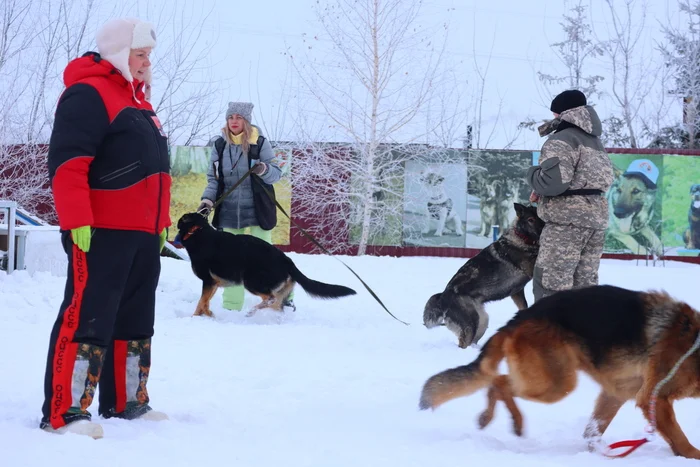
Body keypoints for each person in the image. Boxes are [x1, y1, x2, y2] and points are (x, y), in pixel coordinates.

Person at [40, 17, 171, 438]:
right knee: (88, 317)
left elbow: (156, 171)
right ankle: (66, 411)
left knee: (136, 317)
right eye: (140, 53)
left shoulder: (140, 103)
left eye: (149, 54)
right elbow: (68, 161)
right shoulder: (88, 93)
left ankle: (126, 401)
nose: (146, 61)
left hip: (144, 233)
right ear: (118, 52)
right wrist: (76, 218)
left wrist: (161, 223)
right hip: (100, 230)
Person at [526, 89, 614, 302]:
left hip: (566, 223)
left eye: (555, 113)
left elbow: (554, 183)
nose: (553, 117)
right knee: (585, 287)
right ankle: (584, 334)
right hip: (595, 222)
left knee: (551, 284)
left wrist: (532, 175)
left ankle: (550, 335)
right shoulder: (595, 142)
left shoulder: (562, 139)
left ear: (562, 113)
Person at [198, 102, 286, 311]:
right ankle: (231, 307)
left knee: (265, 259)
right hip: (228, 211)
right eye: (231, 117)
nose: (234, 121)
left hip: (258, 210)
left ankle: (281, 299)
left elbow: (275, 175)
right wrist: (206, 202)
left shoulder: (259, 143)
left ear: (246, 121)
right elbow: (213, 180)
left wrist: (264, 168)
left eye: (239, 117)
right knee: (229, 262)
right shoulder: (219, 146)